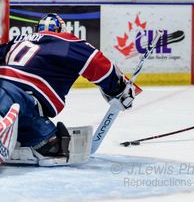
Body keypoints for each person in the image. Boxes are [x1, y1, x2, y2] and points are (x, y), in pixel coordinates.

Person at [0, 13, 135, 162]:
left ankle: (13, 132)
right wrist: (118, 86)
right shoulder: (66, 41)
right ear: (61, 30)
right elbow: (98, 63)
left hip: (27, 107)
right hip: (11, 95)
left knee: (53, 146)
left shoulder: (15, 41)